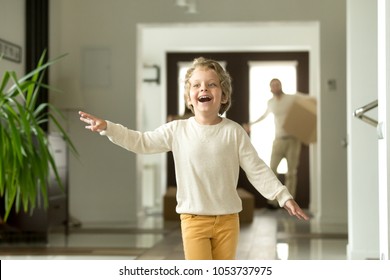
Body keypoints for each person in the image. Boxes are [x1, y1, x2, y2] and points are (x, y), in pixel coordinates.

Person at [79, 57, 309, 260]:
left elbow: (257, 169)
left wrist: (283, 196)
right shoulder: (177, 130)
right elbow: (141, 142)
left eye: (211, 84)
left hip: (228, 220)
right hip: (193, 220)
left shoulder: (234, 132)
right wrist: (108, 128)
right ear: (189, 97)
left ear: (224, 94)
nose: (203, 89)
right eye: (196, 85)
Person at [243, 78, 313, 209]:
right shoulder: (271, 102)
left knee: (291, 172)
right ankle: (274, 202)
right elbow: (263, 116)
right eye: (273, 85)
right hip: (278, 140)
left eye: (277, 84)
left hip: (293, 140)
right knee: (272, 169)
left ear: (281, 86)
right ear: (270, 88)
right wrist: (250, 124)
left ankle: (290, 203)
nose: (275, 87)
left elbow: (306, 103)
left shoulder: (291, 98)